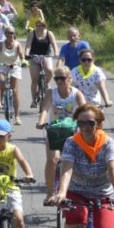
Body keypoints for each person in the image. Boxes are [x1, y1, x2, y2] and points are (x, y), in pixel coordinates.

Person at [36, 65, 85, 196]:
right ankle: (50, 193)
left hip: (72, 132)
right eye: (56, 78)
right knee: (52, 159)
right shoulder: (51, 92)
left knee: (74, 161)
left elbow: (84, 110)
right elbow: (45, 108)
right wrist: (41, 121)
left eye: (62, 78)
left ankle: (74, 191)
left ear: (69, 78)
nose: (58, 81)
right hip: (54, 130)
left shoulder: (76, 94)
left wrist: (85, 122)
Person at [0, 26, 27, 126]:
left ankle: (17, 116)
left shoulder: (17, 44)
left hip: (14, 66)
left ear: (14, 34)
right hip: (2, 65)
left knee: (15, 91)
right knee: (1, 82)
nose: (10, 35)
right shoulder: (0, 44)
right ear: (5, 34)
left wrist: (23, 61)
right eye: (8, 33)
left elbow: (21, 54)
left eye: (12, 33)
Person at [26, 19, 58, 108]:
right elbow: (28, 45)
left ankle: (45, 83)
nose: (40, 27)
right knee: (34, 79)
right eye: (38, 26)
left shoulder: (49, 33)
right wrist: (26, 54)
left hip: (46, 56)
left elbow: (54, 44)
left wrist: (56, 53)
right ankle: (34, 100)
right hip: (34, 56)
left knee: (50, 71)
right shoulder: (32, 33)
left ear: (45, 26)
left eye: (42, 25)